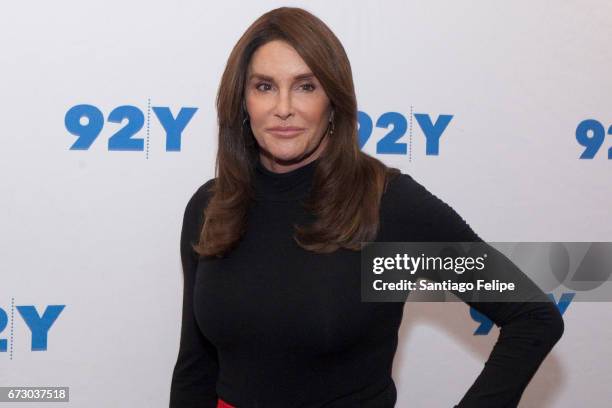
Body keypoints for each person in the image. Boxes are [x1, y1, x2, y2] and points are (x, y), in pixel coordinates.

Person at [169, 7, 564, 408]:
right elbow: (195, 365)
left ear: (334, 101)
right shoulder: (211, 206)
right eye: (265, 86)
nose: (283, 107)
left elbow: (533, 318)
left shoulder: (388, 205)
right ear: (242, 101)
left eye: (306, 86)